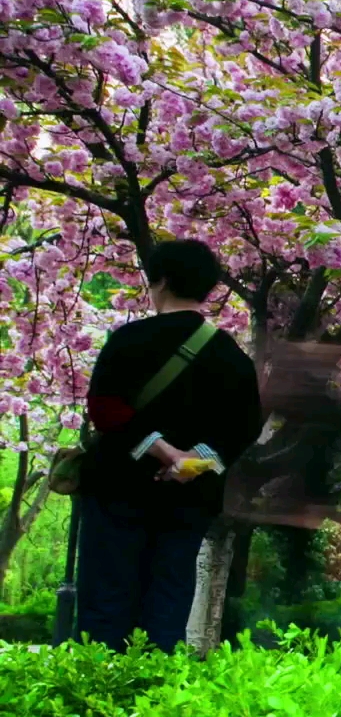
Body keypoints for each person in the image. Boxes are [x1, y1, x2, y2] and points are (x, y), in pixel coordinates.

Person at [75, 239, 262, 654]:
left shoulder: (130, 339)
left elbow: (105, 407)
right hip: (188, 496)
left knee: (107, 594)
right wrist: (193, 461)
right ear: (208, 288)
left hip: (118, 489)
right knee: (168, 597)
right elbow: (245, 425)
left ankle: (93, 695)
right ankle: (155, 699)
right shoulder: (231, 356)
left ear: (158, 281)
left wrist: (160, 449)